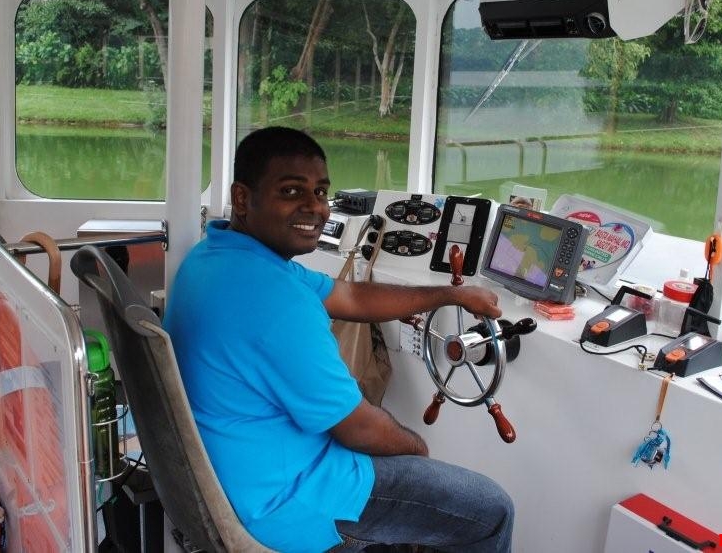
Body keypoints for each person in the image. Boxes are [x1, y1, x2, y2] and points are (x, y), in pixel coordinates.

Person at [163, 126, 515, 553]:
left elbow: (349, 295)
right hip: (290, 503)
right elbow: (359, 428)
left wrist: (449, 294)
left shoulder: (216, 257)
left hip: (238, 474)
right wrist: (416, 450)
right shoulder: (275, 302)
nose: (315, 207)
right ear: (242, 198)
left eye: (321, 192)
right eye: (291, 191)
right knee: (491, 511)